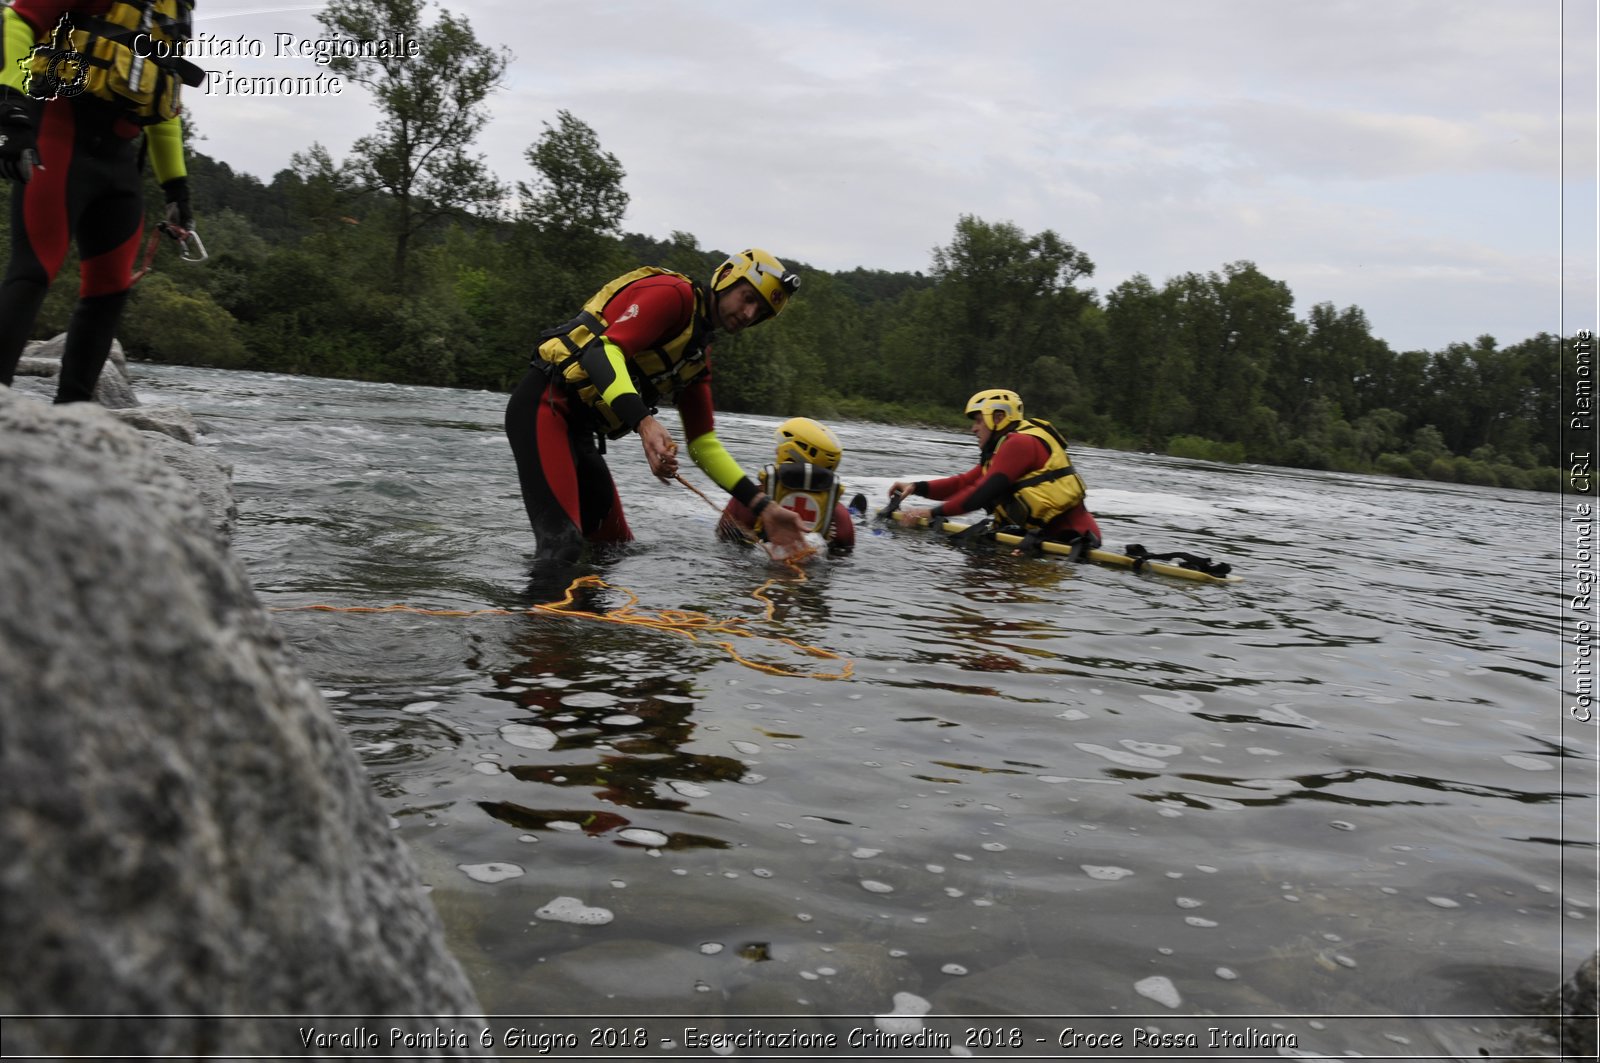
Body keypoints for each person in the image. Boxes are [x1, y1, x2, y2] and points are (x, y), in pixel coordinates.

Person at [505, 248, 808, 568]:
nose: (748, 314)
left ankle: (583, 618)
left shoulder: (696, 360)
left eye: (759, 312)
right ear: (726, 278)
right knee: (562, 546)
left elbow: (704, 445)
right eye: (748, 298)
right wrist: (644, 422)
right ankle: (535, 618)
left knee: (612, 549)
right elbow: (600, 354)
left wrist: (765, 508)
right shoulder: (672, 295)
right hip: (546, 406)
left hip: (579, 433)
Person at [0, 0, 203, 403]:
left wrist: (176, 186)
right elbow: (18, 20)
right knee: (34, 272)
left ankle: (71, 421)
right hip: (58, 135)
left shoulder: (171, 12)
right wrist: (10, 105)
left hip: (120, 161)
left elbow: (167, 102)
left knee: (110, 289)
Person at [890, 388, 1103, 556]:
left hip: (1072, 542)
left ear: (999, 417)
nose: (974, 428)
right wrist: (917, 487)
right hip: (1043, 540)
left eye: (978, 420)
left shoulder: (1019, 443)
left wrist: (930, 513)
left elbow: (979, 495)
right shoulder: (1003, 449)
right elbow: (964, 483)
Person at [716, 416, 857, 557]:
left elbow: (723, 540)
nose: (776, 451)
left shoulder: (749, 499)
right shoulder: (840, 515)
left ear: (791, 453)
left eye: (780, 446)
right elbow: (843, 559)